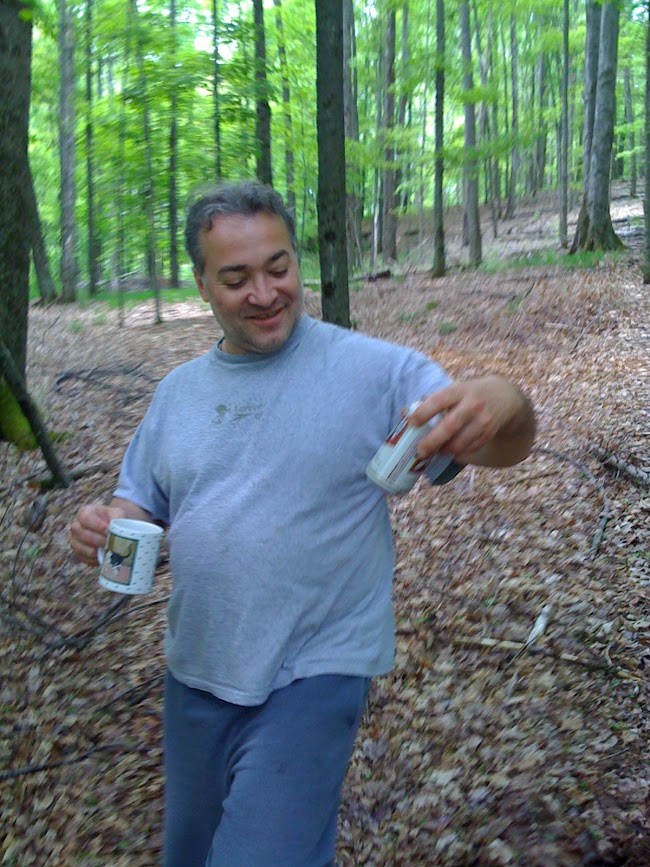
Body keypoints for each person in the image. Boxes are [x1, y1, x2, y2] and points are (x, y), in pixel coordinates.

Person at [69, 180, 535, 867]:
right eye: (236, 277)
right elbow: (142, 504)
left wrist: (501, 399)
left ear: (297, 259)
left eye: (278, 267)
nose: (264, 293)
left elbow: (503, 441)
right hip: (196, 667)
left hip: (313, 673)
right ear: (202, 284)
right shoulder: (177, 394)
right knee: (189, 854)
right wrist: (106, 524)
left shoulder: (376, 371)